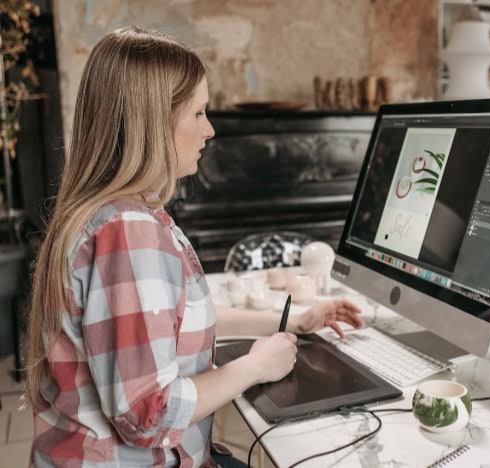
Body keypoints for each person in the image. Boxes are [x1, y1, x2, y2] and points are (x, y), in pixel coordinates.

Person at [25, 26, 363, 467]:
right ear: (153, 121)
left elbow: (165, 322)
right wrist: (254, 368)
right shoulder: (126, 233)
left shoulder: (117, 213)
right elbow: (148, 415)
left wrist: (291, 321)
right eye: (199, 113)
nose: (210, 130)